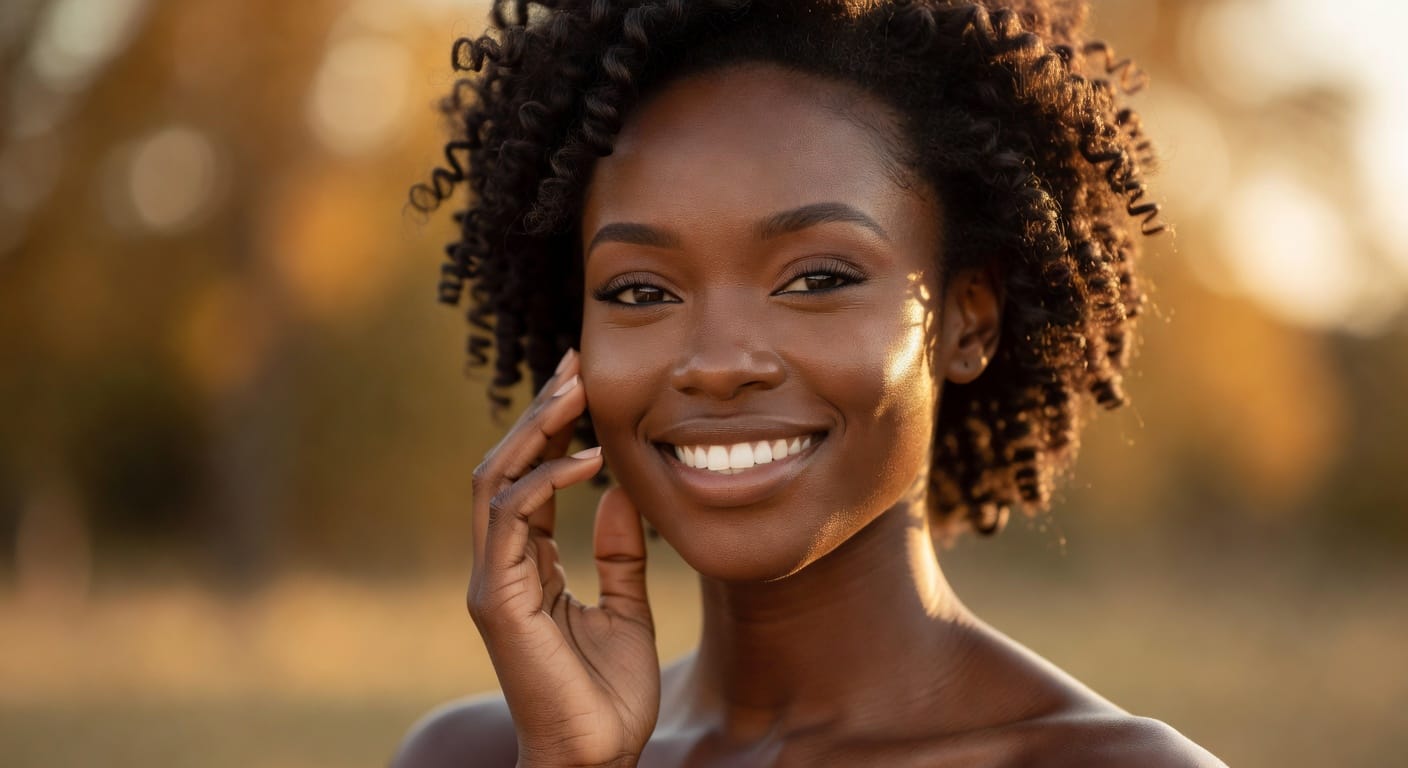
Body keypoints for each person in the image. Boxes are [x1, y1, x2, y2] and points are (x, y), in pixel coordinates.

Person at [394, 0, 1226, 765]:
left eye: (817, 279)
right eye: (640, 292)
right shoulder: (477, 755)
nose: (718, 362)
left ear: (969, 319)